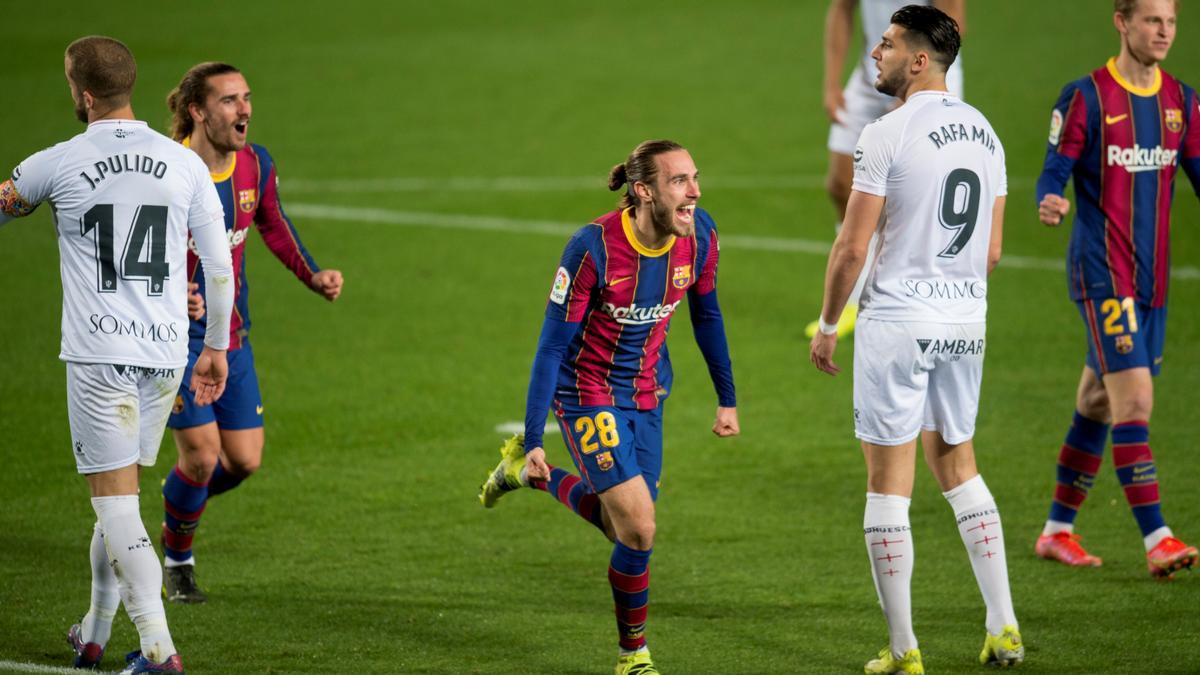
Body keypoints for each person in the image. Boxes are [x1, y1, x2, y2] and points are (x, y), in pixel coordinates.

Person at [0, 36, 234, 674]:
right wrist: (214, 348)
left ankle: (159, 651)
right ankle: (97, 629)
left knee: (117, 506)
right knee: (121, 497)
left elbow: (4, 203)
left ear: (81, 93)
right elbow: (217, 268)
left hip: (100, 359)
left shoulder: (58, 161)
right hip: (164, 358)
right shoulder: (183, 163)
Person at [808, 6, 1020, 673]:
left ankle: (903, 649)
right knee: (959, 463)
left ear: (921, 60)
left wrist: (825, 323)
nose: (876, 51)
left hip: (899, 320)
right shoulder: (986, 134)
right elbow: (990, 252)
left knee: (887, 486)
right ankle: (1004, 624)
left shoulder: (886, 132)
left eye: (891, 44)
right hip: (966, 321)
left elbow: (850, 245)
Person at [478, 140, 739, 675]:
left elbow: (706, 316)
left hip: (648, 392)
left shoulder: (701, 235)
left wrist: (726, 397)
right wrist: (533, 437)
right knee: (641, 528)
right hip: (586, 391)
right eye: (679, 182)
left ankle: (532, 479)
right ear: (643, 192)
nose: (694, 192)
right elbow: (552, 346)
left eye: (695, 178)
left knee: (623, 529)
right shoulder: (592, 248)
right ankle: (633, 656)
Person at [157, 62, 344, 603]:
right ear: (197, 111)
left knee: (243, 460)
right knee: (201, 457)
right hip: (173, 340)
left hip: (230, 334)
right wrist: (170, 296)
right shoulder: (167, 173)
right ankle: (176, 559)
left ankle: (179, 510)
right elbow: (131, 250)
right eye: (230, 101)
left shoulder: (254, 165)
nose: (245, 110)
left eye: (246, 98)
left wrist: (311, 274)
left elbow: (272, 222)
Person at [1034, 0, 1200, 578]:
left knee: (1097, 401)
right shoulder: (1086, 96)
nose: (1164, 32)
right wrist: (1049, 201)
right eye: (1153, 20)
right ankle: (1158, 539)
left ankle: (1057, 530)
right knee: (1135, 402)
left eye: (1172, 22)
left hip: (1152, 282)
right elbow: (1054, 169)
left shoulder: (1182, 102)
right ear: (1121, 21)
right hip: (1103, 275)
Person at [806, 0, 965, 339]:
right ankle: (854, 293)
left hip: (928, 75)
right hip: (872, 74)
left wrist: (914, 92)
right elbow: (841, 10)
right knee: (840, 183)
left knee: (916, 197)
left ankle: (917, 295)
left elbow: (952, 21)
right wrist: (831, 81)